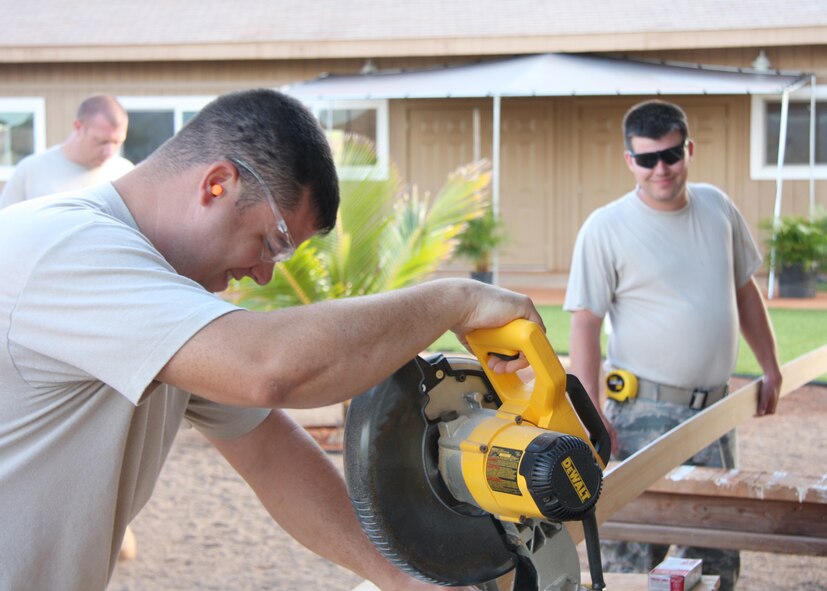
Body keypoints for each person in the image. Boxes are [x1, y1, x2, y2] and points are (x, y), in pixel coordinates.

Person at [0, 88, 542, 591]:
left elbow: (270, 456)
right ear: (218, 184)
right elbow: (270, 369)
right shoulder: (60, 247)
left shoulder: (163, 302)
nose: (264, 275)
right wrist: (455, 300)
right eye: (271, 241)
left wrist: (405, 580)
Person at [564, 100, 782, 591]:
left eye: (671, 155)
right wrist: (591, 410)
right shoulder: (606, 227)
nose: (660, 169)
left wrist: (770, 366)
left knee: (715, 546)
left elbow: (745, 291)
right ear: (629, 161)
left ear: (689, 149)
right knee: (633, 554)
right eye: (647, 159)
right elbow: (585, 327)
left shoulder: (718, 207)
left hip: (716, 412)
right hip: (644, 412)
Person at [0, 93, 133, 209]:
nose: (109, 151)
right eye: (101, 141)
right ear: (78, 126)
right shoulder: (31, 171)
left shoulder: (125, 173)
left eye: (117, 142)